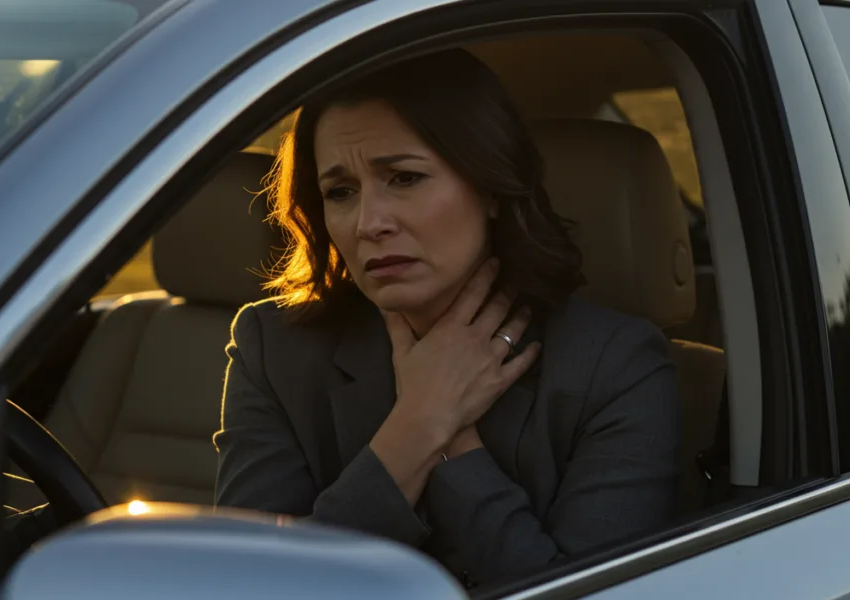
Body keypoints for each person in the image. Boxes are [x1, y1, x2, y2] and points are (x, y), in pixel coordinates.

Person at [213, 48, 680, 586]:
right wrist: (419, 423)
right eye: (340, 192)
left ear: (490, 187)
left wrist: (456, 444)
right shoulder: (273, 349)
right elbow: (249, 586)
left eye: (404, 178)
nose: (369, 223)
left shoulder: (616, 367)